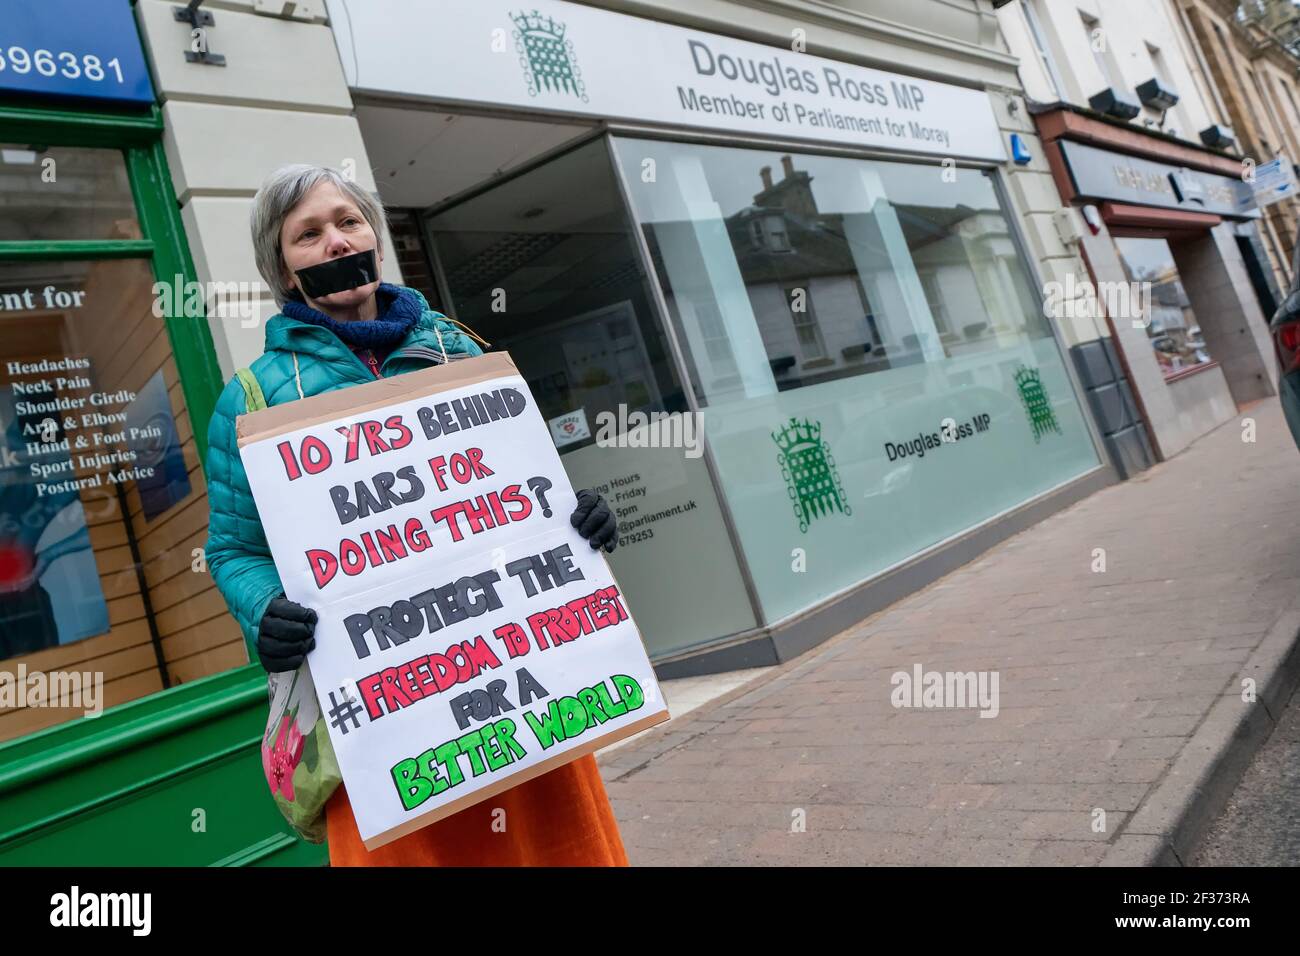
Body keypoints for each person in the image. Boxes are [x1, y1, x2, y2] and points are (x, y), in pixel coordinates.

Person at [205, 164, 627, 866]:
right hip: (384, 725)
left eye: (348, 222)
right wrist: (264, 611)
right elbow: (232, 551)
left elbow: (520, 485)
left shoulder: (458, 351)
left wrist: (578, 521)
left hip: (514, 690)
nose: (336, 242)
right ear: (282, 271)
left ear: (373, 235)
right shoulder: (251, 399)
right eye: (307, 234)